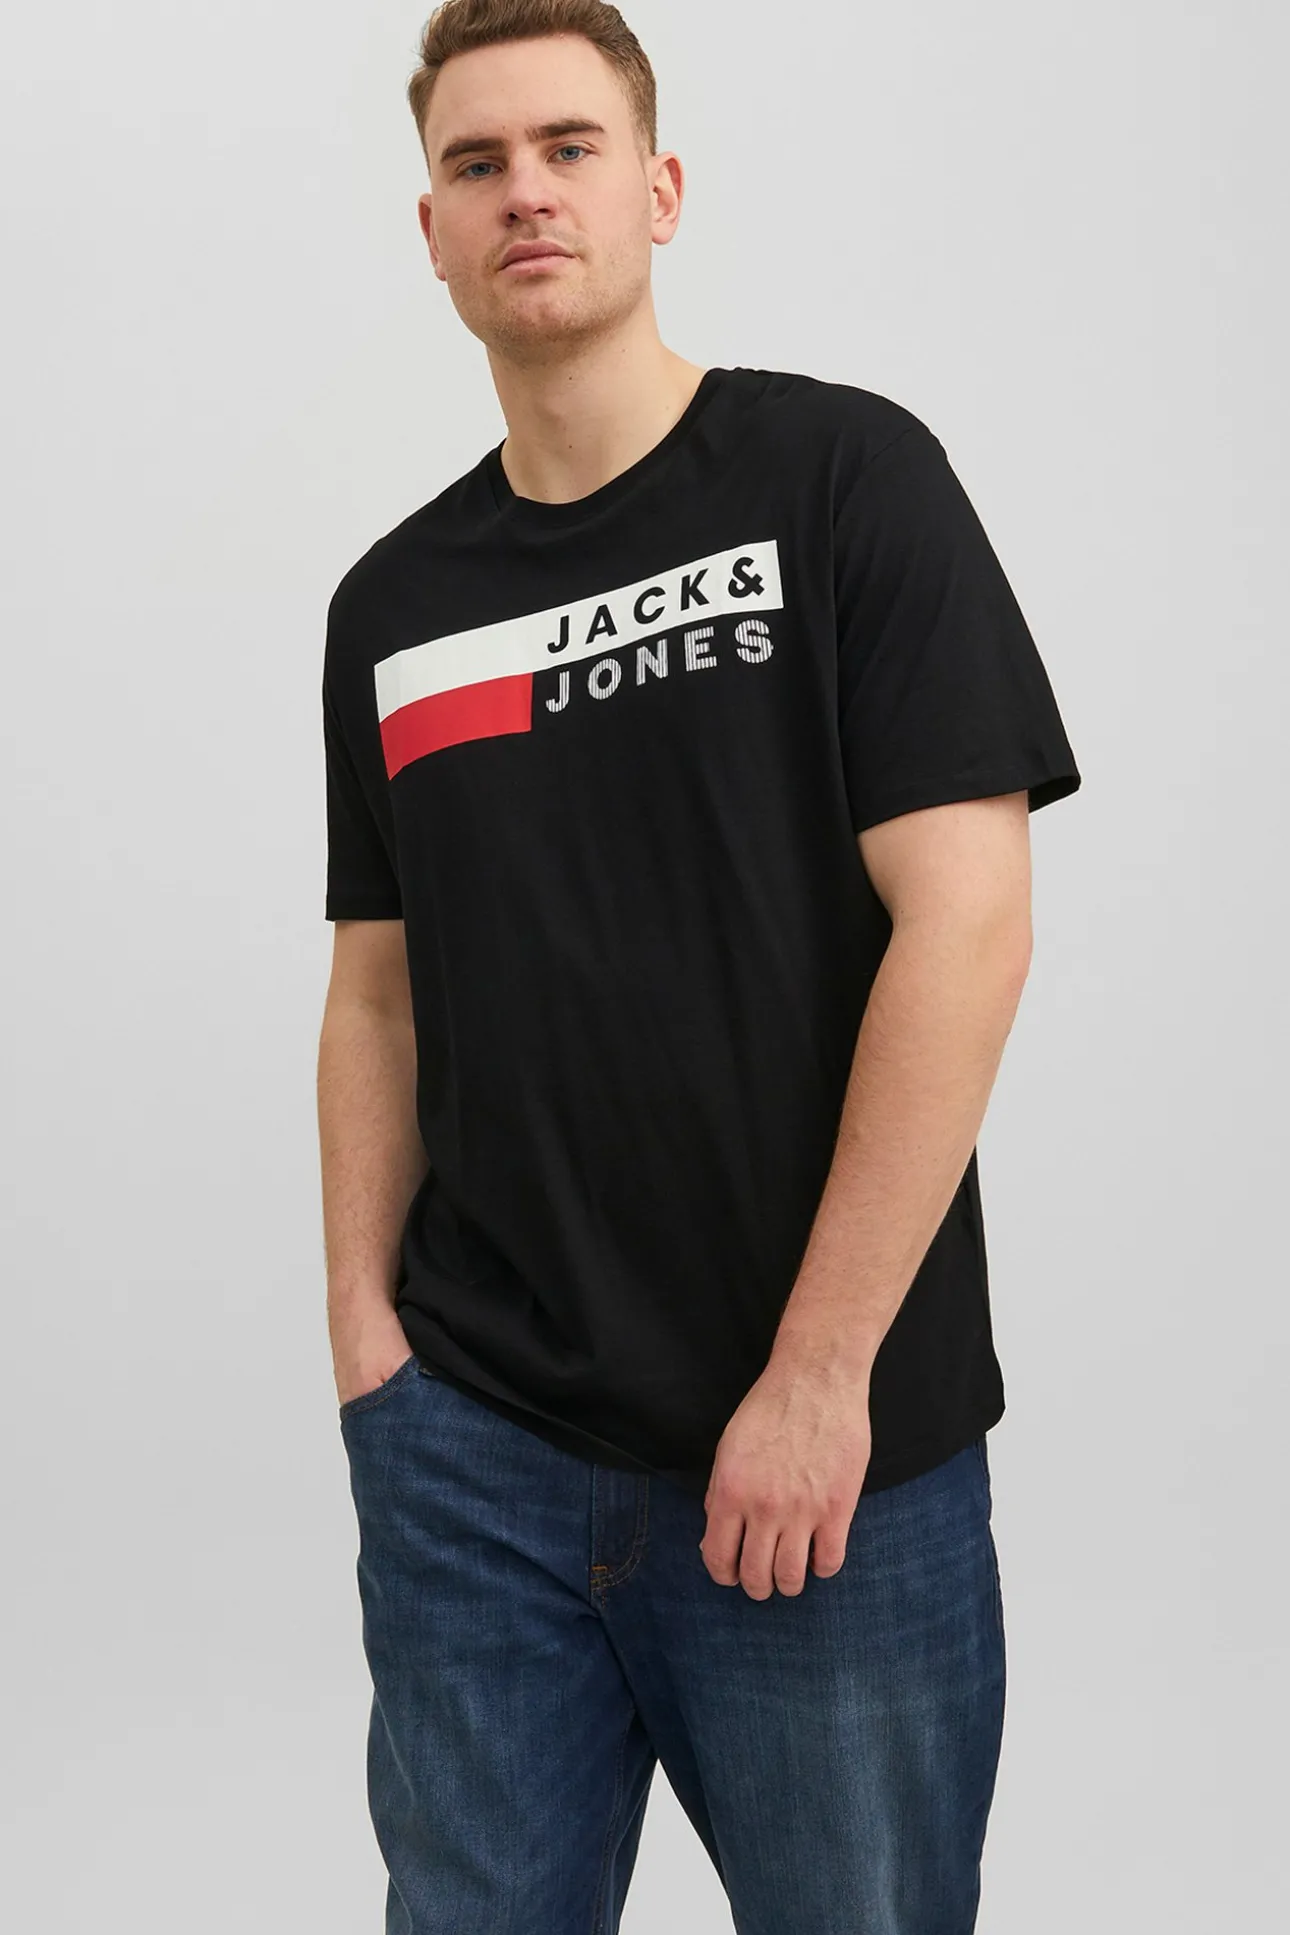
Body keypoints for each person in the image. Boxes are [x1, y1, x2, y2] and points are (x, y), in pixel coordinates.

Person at [316, 3, 1082, 1929]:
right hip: (477, 1452)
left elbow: (969, 923)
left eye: (568, 148)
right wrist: (369, 1355)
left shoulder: (841, 480)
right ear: (431, 232)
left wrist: (816, 1378)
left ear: (656, 190)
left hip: (824, 1456)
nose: (526, 192)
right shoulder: (394, 610)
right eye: (477, 163)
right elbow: (377, 991)